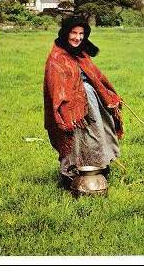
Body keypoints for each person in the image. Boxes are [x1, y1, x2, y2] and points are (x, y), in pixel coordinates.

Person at [43, 16, 123, 188]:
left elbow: (97, 78)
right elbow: (55, 88)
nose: (77, 38)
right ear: (65, 33)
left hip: (93, 105)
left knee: (98, 134)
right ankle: (70, 176)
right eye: (73, 33)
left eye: (81, 34)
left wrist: (109, 96)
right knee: (76, 139)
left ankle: (99, 167)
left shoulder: (81, 54)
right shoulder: (57, 57)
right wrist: (66, 111)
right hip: (71, 111)